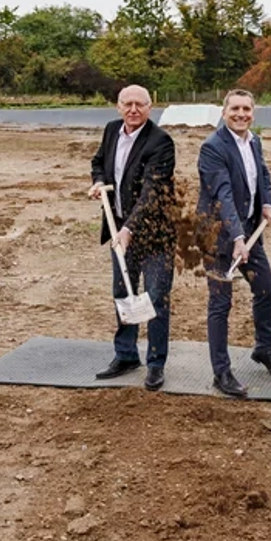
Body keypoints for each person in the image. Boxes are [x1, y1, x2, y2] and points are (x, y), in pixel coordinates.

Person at [197, 88, 271, 398]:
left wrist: (267, 203)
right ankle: (221, 373)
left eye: (246, 109)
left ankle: (263, 349)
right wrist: (237, 238)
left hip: (249, 231)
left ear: (253, 112)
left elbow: (261, 173)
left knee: (266, 289)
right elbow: (222, 195)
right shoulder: (213, 148)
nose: (241, 114)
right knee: (220, 303)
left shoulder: (254, 140)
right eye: (234, 109)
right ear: (224, 113)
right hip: (217, 235)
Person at [87, 85, 176, 391]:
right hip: (119, 227)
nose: (134, 109)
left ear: (151, 107)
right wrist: (99, 182)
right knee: (123, 292)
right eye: (128, 104)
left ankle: (155, 363)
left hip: (154, 234)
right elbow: (98, 162)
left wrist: (130, 229)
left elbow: (152, 192)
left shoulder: (161, 142)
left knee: (155, 297)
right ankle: (126, 355)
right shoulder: (112, 131)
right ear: (118, 106)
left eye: (140, 104)